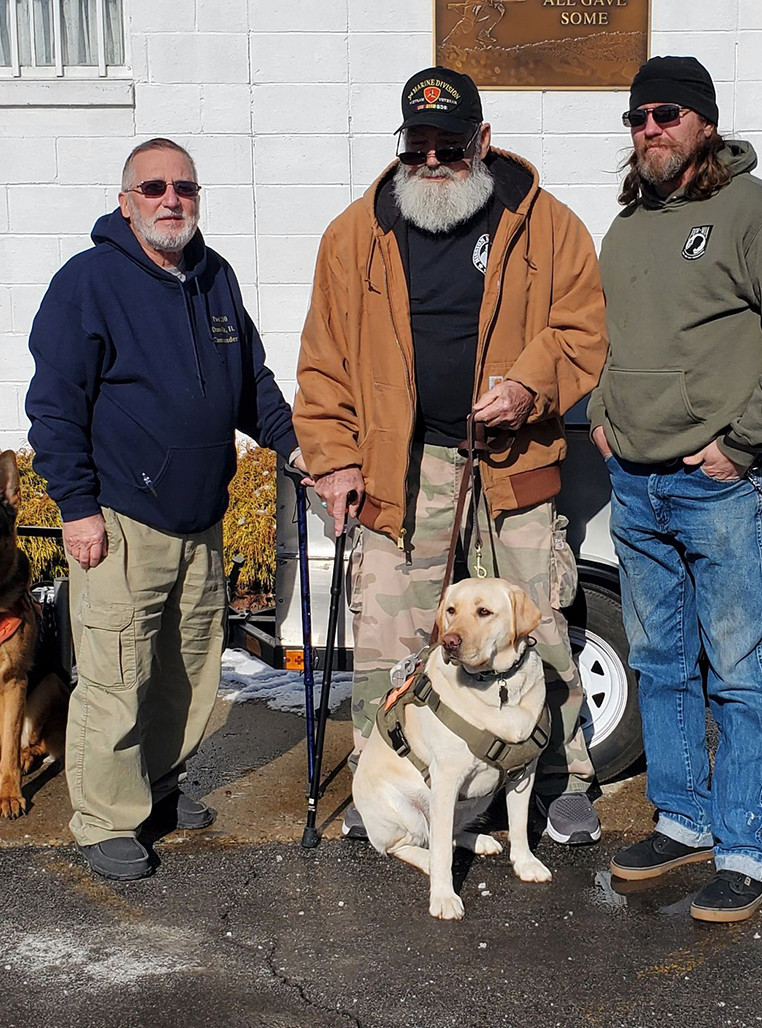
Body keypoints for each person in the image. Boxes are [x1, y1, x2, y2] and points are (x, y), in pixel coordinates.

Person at [293, 67, 609, 846]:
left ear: (484, 141)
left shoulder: (548, 226)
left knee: (536, 626)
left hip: (512, 466)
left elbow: (582, 331)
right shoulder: (353, 235)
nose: (433, 160)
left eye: (451, 144)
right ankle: (388, 778)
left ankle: (562, 780)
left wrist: (529, 387)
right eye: (420, 144)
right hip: (403, 468)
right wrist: (332, 460)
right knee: (395, 635)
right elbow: (322, 361)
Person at [588, 56, 762, 921]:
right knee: (659, 663)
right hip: (636, 485)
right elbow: (614, 340)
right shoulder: (628, 226)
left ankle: (744, 849)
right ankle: (686, 817)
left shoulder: (759, 215)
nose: (648, 129)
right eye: (637, 118)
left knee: (736, 669)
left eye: (665, 114)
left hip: (716, 486)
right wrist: (601, 411)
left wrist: (745, 442)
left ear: (703, 122)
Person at [26, 138, 300, 882]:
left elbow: (253, 385)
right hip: (119, 519)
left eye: (184, 186)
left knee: (187, 670)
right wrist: (76, 509)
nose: (170, 198)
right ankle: (105, 821)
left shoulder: (214, 279)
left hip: (199, 519)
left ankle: (157, 792)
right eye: (152, 188)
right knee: (117, 673)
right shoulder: (87, 283)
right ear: (126, 202)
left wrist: (299, 447)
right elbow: (54, 410)